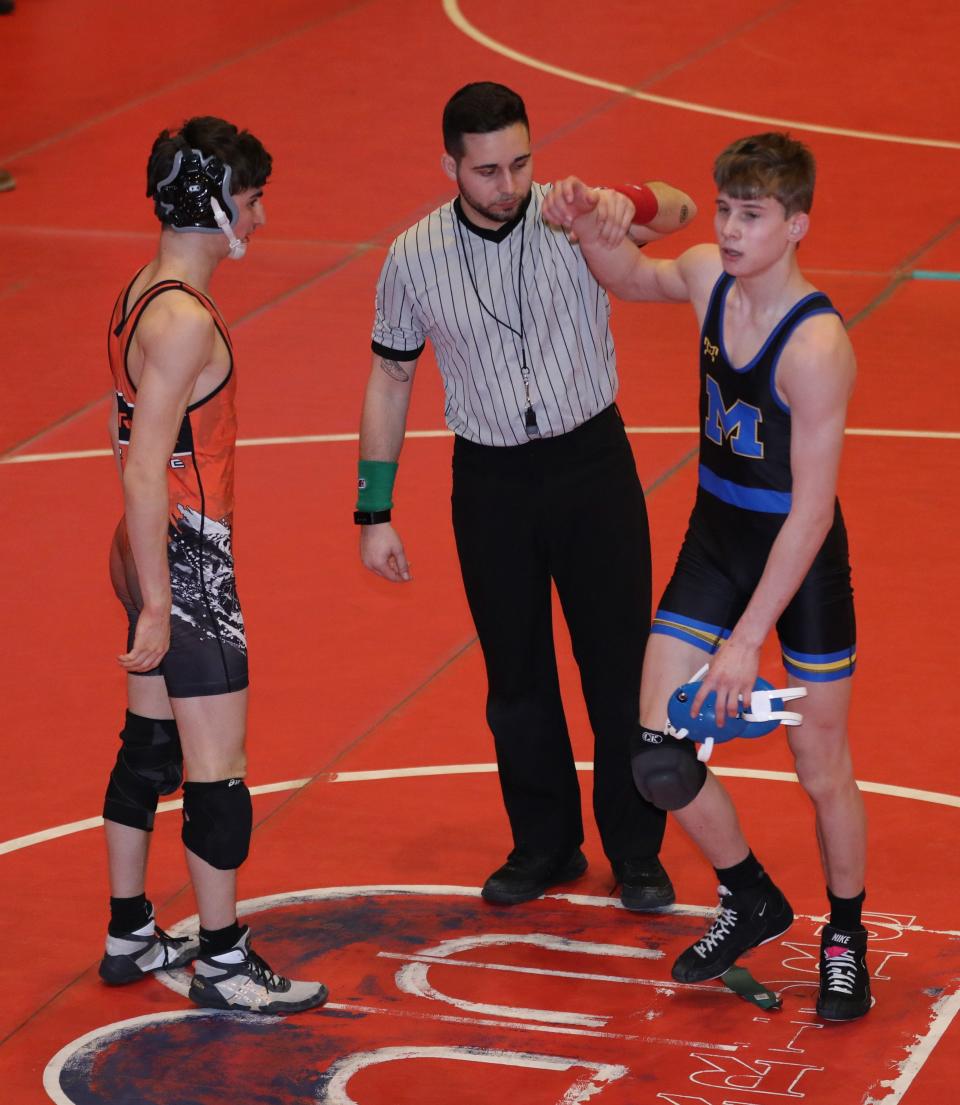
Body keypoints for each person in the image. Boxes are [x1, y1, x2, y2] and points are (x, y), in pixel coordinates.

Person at [542, 132, 869, 1020]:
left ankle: (845, 934)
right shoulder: (703, 277)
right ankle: (751, 895)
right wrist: (595, 212)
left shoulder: (817, 346)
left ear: (796, 224)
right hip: (717, 538)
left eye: (751, 215)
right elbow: (625, 275)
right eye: (724, 208)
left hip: (797, 566)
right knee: (654, 755)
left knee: (820, 763)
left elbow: (809, 513)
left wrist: (744, 644)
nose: (728, 229)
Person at [356, 81, 697, 911]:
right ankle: (544, 845)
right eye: (485, 170)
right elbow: (391, 376)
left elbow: (684, 209)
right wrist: (374, 509)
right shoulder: (412, 256)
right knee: (516, 677)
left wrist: (625, 202)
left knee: (619, 668)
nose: (506, 185)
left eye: (518, 163)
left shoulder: (572, 212)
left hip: (593, 467)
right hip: (491, 481)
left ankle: (637, 847)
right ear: (451, 166)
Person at [100, 116, 327, 1015]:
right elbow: (145, 461)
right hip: (189, 562)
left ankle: (129, 927)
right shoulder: (186, 319)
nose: (261, 216)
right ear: (212, 202)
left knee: (147, 743)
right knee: (217, 767)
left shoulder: (140, 291)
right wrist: (160, 602)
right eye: (252, 197)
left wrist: (134, 567)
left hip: (153, 546)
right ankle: (226, 961)